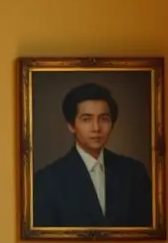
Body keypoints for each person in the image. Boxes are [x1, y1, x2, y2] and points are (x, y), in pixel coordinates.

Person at [32, 82, 152, 228]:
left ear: (112, 124)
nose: (96, 128)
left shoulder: (135, 173)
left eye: (104, 119)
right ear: (71, 125)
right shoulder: (47, 181)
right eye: (86, 119)